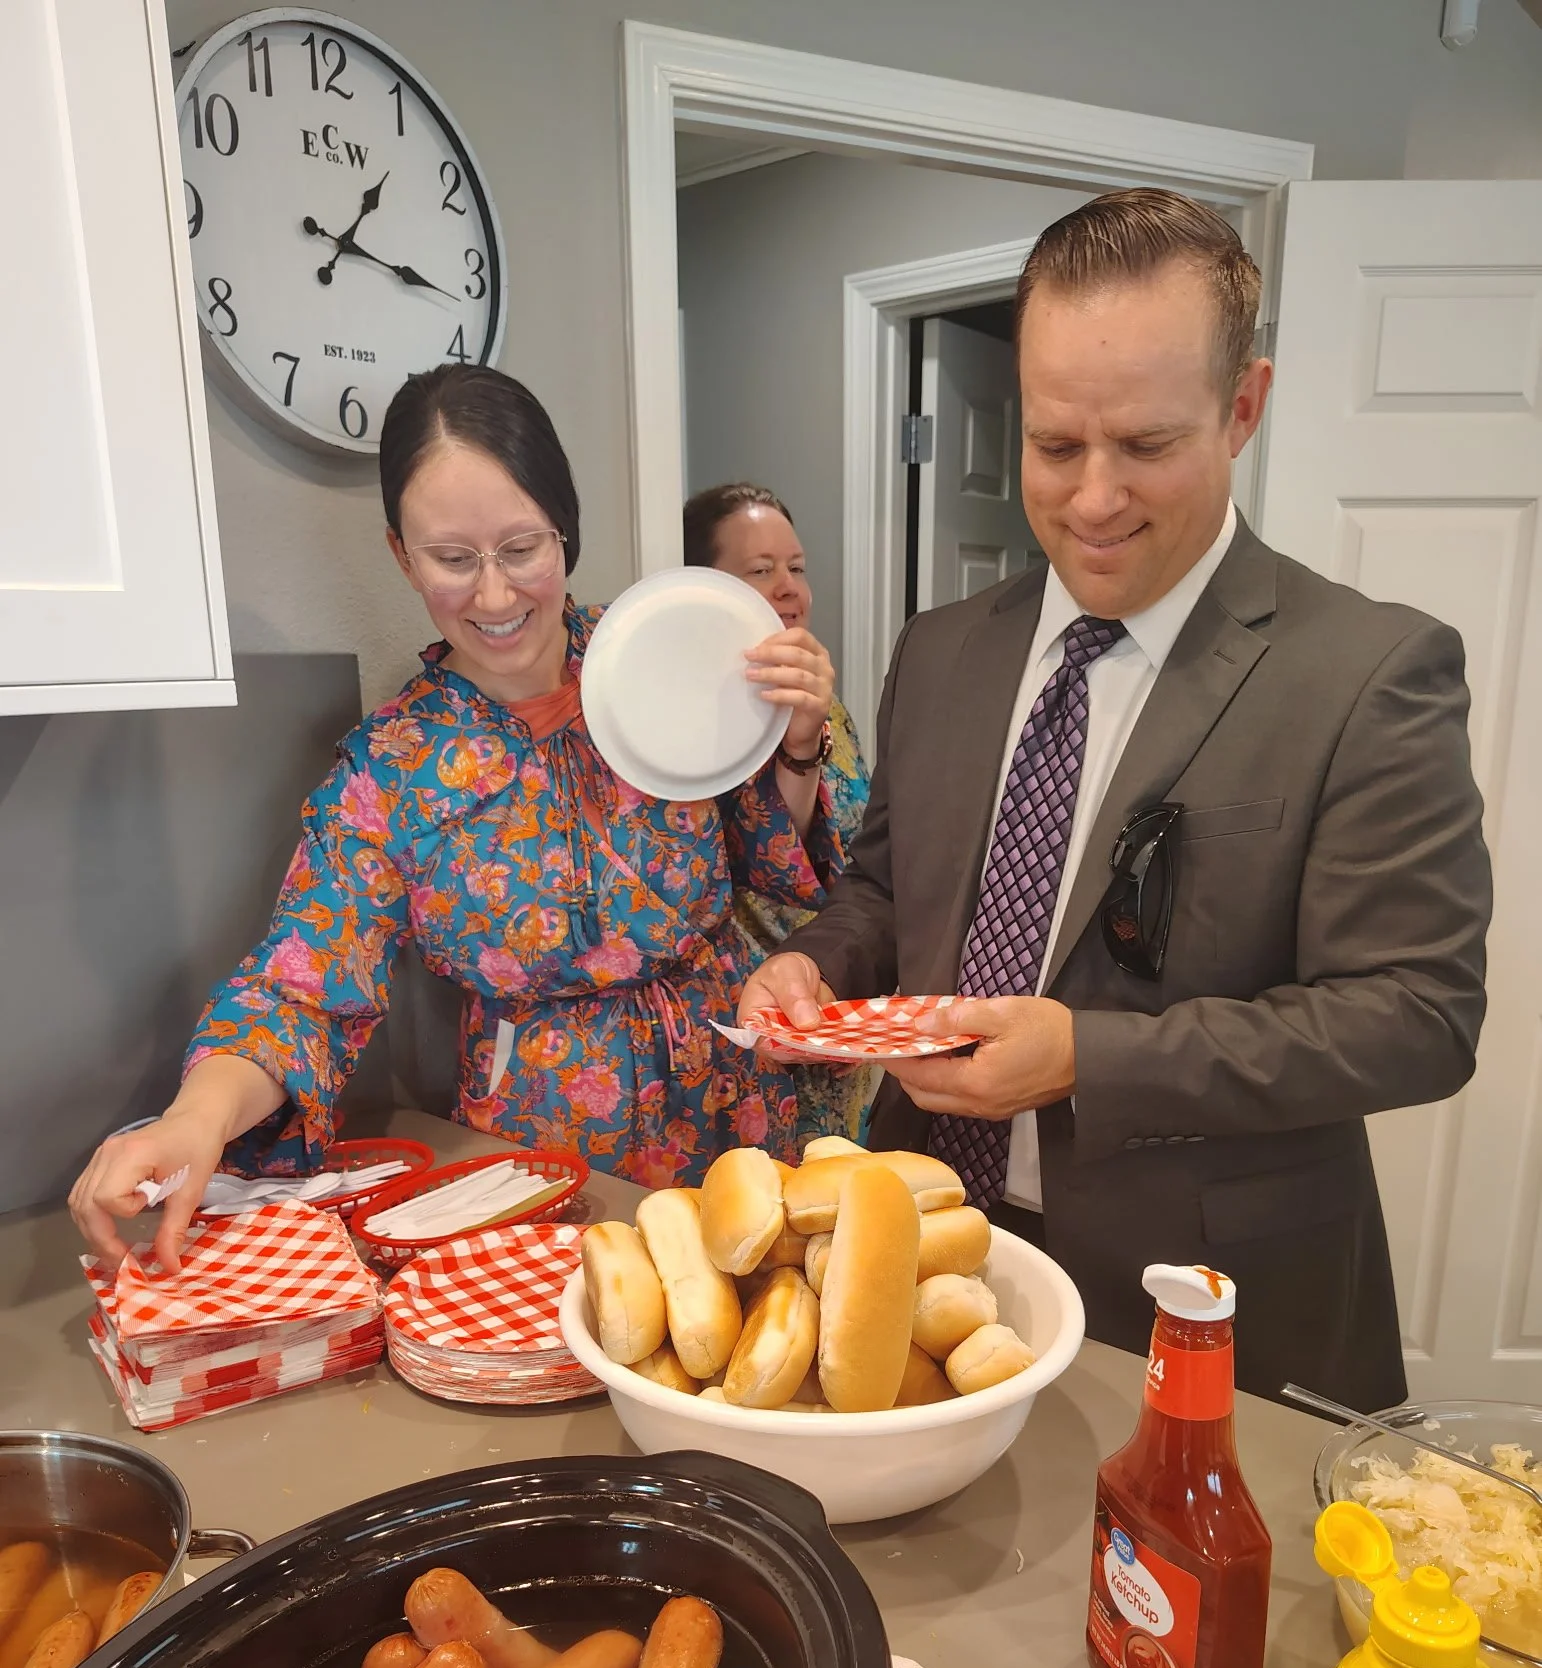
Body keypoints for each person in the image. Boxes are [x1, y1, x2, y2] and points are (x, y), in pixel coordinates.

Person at [739, 188, 1491, 1407]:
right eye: (1052, 444)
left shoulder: (1365, 671)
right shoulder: (940, 647)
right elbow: (889, 881)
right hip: (923, 1238)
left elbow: (1416, 1014)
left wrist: (1089, 1057)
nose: (1092, 499)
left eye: (1146, 445)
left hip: (1201, 1287)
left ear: (1242, 405)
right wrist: (822, 960)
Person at [72, 366, 847, 1269]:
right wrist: (191, 1120)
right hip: (547, 1150)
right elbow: (301, 988)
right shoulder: (389, 769)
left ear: (566, 531)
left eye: (522, 548)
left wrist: (796, 739)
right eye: (452, 559)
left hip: (732, 1105)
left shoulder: (668, 656)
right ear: (403, 554)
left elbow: (769, 857)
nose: (494, 596)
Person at [683, 481, 873, 1145]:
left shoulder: (827, 705)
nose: (790, 587)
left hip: (835, 991)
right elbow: (774, 865)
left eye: (796, 567)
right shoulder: (689, 722)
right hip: (753, 1017)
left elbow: (856, 854)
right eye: (761, 572)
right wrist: (797, 745)